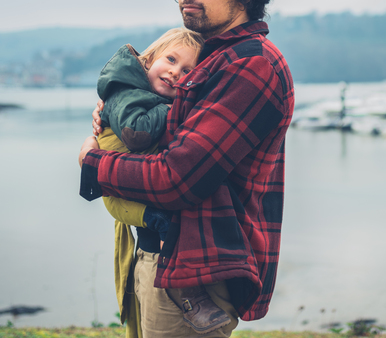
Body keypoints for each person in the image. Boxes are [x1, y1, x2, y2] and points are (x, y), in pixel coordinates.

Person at [79, 0, 295, 337]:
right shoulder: (213, 59)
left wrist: (93, 163)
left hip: (193, 278)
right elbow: (164, 136)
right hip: (163, 259)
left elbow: (175, 179)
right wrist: (116, 112)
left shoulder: (250, 66)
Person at [96, 27, 231, 334]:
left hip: (127, 197)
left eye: (187, 71)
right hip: (122, 197)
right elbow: (137, 134)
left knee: (165, 225)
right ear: (148, 60)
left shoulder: (137, 94)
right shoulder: (130, 94)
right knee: (166, 225)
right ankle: (189, 297)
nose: (175, 73)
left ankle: (189, 295)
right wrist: (172, 109)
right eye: (170, 59)